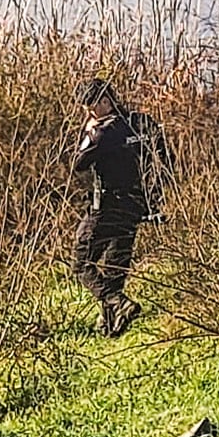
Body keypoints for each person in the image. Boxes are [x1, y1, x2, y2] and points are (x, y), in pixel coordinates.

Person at [71, 78, 172, 337]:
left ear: (105, 102)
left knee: (81, 264)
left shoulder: (101, 133)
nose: (89, 113)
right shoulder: (142, 123)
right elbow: (167, 161)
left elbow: (78, 164)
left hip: (105, 206)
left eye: (91, 107)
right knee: (115, 266)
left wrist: (89, 132)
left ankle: (120, 304)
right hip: (135, 205)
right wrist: (154, 195)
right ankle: (110, 329)